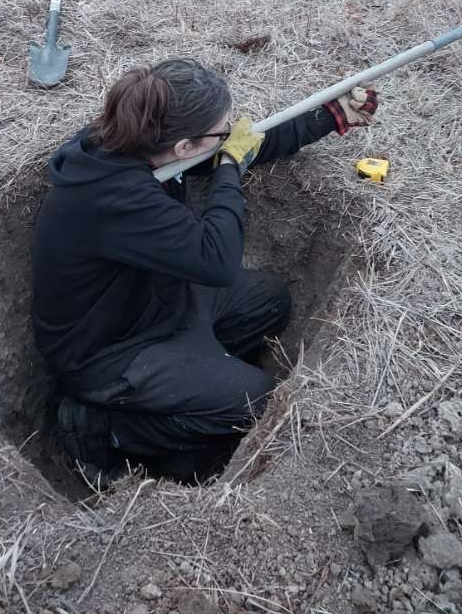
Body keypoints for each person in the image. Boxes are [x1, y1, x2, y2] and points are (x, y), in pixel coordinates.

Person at [32, 58, 378, 480]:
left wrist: (329, 118)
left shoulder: (138, 141)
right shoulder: (116, 197)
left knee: (268, 298)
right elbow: (217, 261)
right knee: (257, 402)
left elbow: (241, 145)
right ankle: (100, 427)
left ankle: (198, 371)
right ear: (183, 147)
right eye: (220, 129)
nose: (228, 133)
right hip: (106, 352)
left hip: (151, 303)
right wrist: (228, 169)